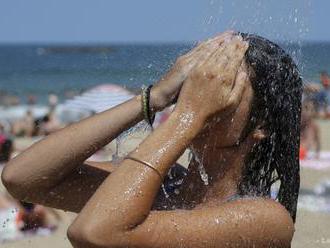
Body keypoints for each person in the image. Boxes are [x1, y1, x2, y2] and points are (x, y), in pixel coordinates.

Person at [1, 32, 302, 247]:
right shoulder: (162, 186)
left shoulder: (265, 219)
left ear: (260, 124)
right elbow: (22, 178)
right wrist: (153, 98)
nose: (203, 91)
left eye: (225, 85)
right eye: (198, 80)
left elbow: (94, 234)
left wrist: (189, 114)